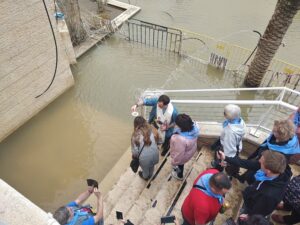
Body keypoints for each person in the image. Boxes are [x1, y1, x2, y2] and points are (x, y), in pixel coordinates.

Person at [237, 151, 289, 221]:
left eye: (261, 163)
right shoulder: (278, 174)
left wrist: (249, 216)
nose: (259, 161)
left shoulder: (268, 195)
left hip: (253, 208)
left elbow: (260, 212)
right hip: (254, 198)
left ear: (268, 171)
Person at [211, 104, 246, 176]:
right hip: (236, 145)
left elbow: (229, 150)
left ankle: (218, 170)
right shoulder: (240, 121)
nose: (223, 114)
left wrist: (224, 160)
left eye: (225, 113)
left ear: (228, 116)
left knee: (220, 159)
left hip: (227, 149)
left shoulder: (230, 132)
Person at [170, 114, 199, 180]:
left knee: (180, 165)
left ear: (181, 127)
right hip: (191, 149)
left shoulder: (180, 139)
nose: (175, 125)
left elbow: (179, 154)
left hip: (183, 156)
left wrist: (174, 162)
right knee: (180, 163)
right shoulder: (195, 127)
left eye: (177, 124)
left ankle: (179, 176)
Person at [131, 116, 159, 180]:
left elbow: (135, 153)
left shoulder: (135, 135)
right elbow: (160, 140)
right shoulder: (152, 129)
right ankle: (151, 176)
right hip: (155, 155)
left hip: (145, 159)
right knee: (152, 166)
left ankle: (145, 177)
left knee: (145, 170)